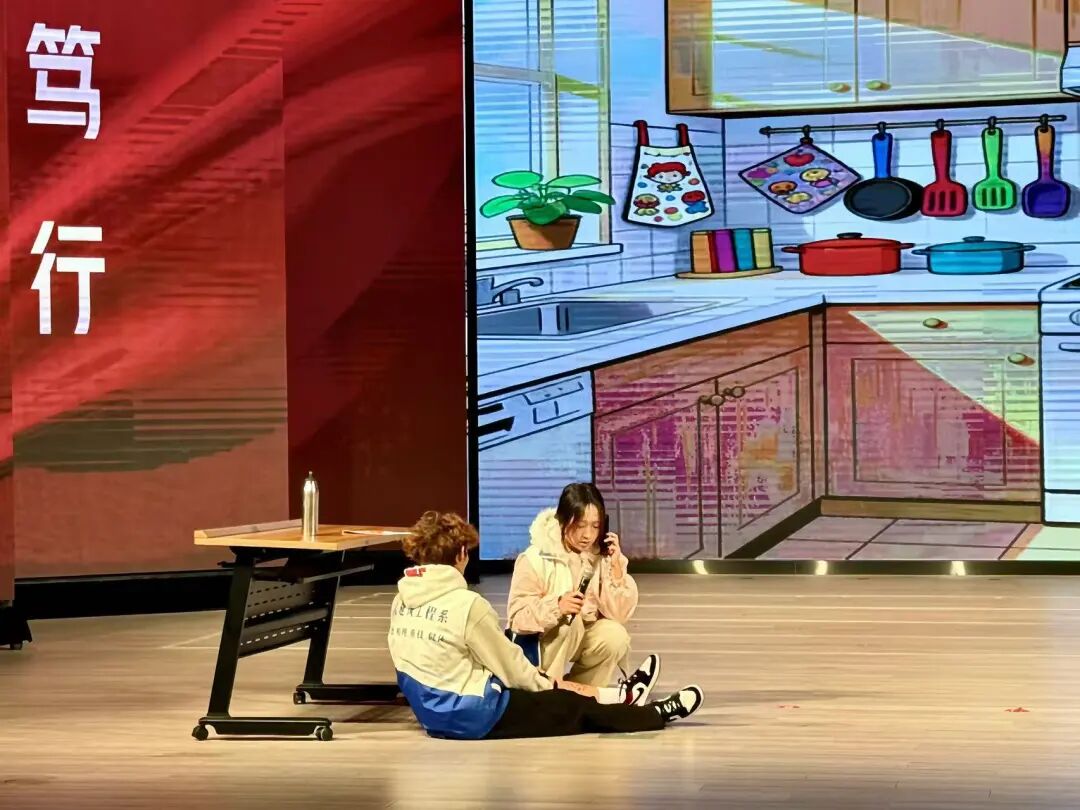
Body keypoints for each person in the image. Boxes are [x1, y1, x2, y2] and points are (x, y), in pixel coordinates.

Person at [387, 510, 703, 740]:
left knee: (566, 695)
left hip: (431, 715)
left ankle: (622, 696)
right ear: (460, 554)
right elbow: (513, 669)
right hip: (475, 714)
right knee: (572, 708)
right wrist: (553, 687)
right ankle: (655, 713)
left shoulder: (401, 599)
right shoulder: (468, 605)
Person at [508, 482, 653, 696]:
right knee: (570, 621)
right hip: (542, 644)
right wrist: (557, 607)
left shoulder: (599, 556)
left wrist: (616, 568)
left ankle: (581, 695)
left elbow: (619, 615)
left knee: (614, 635)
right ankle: (547, 693)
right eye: (580, 525)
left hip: (581, 637)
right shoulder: (535, 558)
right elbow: (517, 619)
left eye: (595, 526)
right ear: (563, 520)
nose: (588, 535)